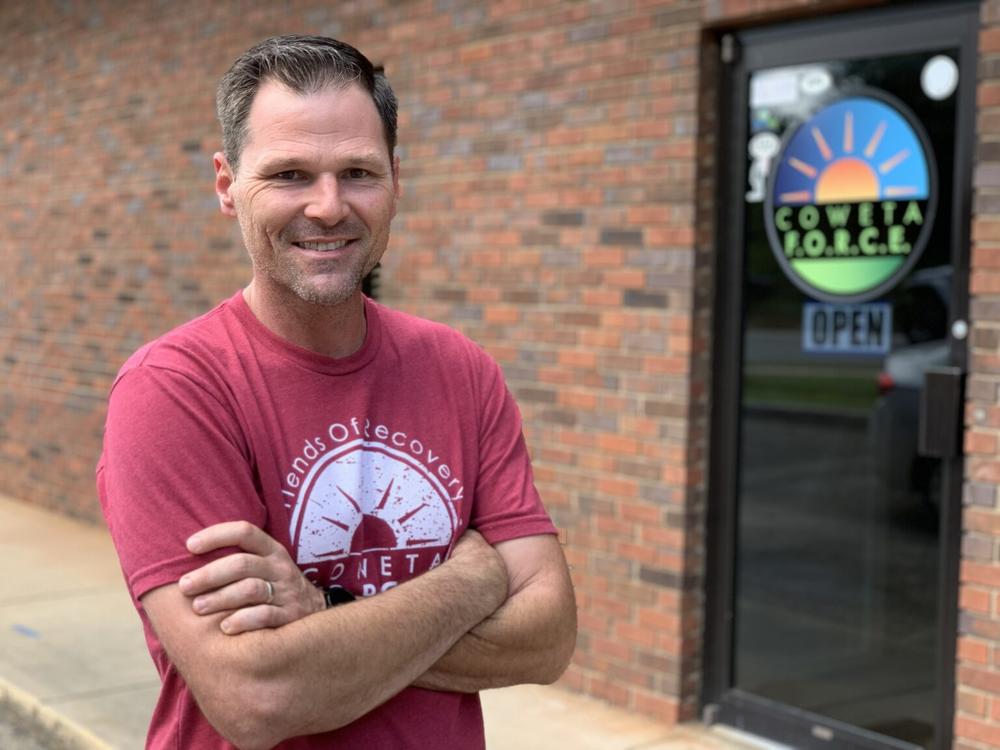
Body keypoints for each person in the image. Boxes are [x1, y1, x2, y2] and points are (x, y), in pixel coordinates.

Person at [97, 35, 576, 750]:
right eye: (289, 174)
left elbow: (548, 637)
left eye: (357, 171)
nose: (328, 207)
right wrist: (473, 582)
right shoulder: (173, 390)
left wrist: (321, 614)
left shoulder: (460, 368)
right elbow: (259, 694)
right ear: (228, 185)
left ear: (396, 182)